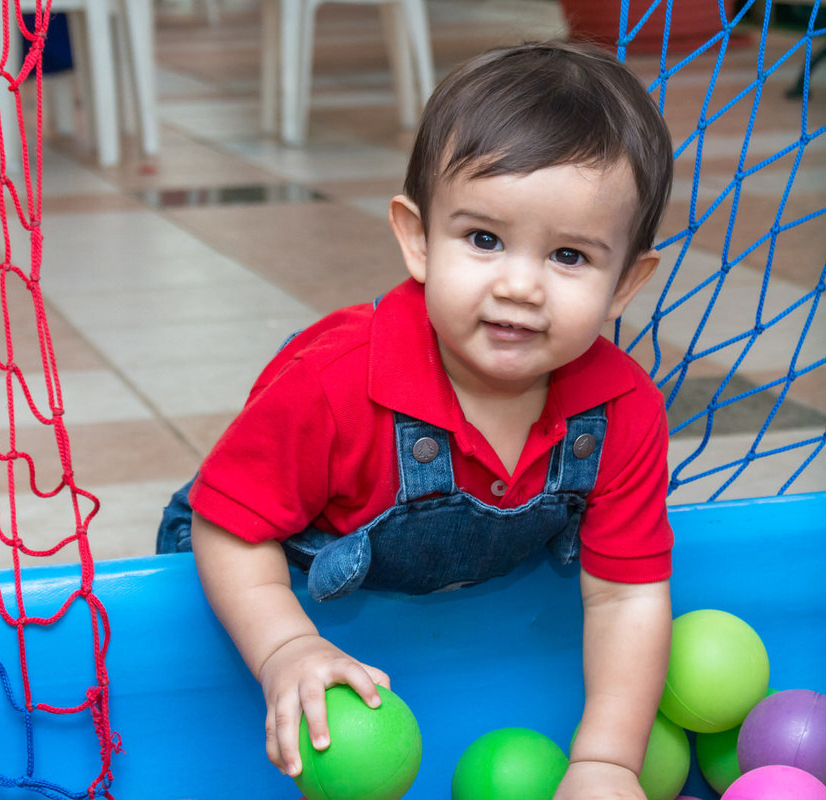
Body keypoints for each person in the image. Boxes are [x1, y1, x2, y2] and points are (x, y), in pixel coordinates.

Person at [157, 40, 675, 799]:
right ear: (417, 239)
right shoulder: (335, 383)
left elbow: (626, 597)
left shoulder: (622, 411)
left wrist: (607, 762)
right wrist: (285, 648)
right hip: (259, 569)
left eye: (569, 256)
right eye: (485, 240)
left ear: (626, 282)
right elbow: (228, 527)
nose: (520, 286)